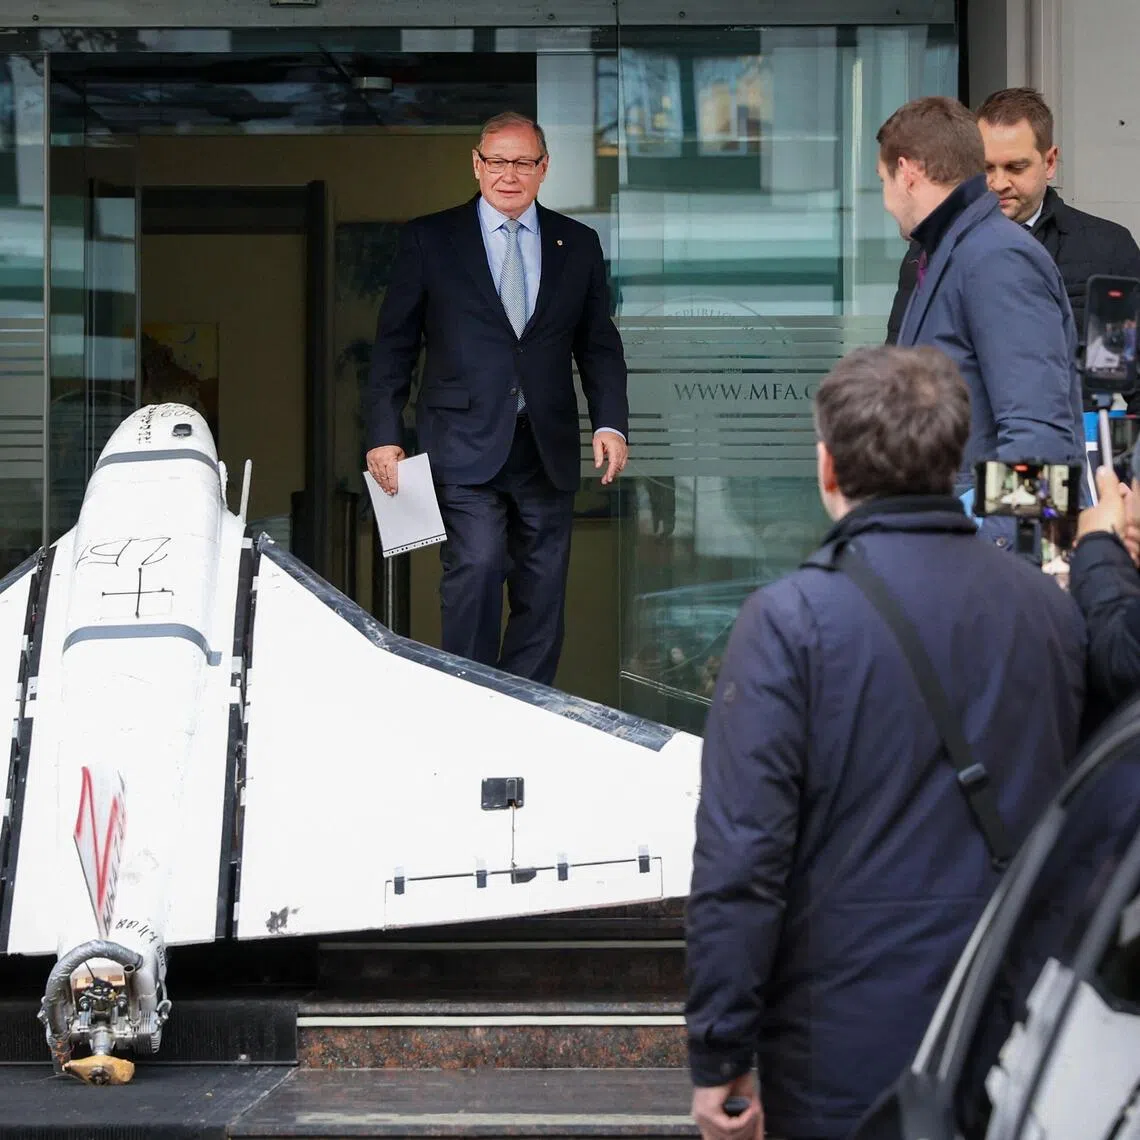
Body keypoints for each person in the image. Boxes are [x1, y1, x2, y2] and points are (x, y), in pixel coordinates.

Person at [685, 345, 1085, 1140]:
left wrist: (719, 1053)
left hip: (843, 1051)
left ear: (828, 468)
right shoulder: (1047, 612)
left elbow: (743, 858)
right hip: (1013, 1033)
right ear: (956, 461)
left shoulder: (789, 622)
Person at [364, 111, 629, 686]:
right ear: (477, 165)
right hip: (463, 443)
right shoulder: (430, 239)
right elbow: (394, 346)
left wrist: (611, 423)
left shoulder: (577, 244)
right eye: (498, 162)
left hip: (547, 446)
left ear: (543, 169)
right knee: (477, 568)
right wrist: (384, 434)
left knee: (543, 591)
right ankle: (469, 697)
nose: (510, 175)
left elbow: (598, 345)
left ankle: (524, 709)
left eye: (524, 163)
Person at [881, 96, 1084, 545]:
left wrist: (995, 557)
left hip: (992, 567)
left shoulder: (996, 257)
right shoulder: (951, 252)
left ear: (907, 172)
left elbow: (1039, 434)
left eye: (883, 182)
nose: (886, 202)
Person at [888, 88, 1140, 361]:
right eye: (986, 168)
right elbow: (900, 364)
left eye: (1015, 168)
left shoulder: (1109, 248)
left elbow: (1130, 370)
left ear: (1050, 161)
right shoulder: (930, 249)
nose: (998, 184)